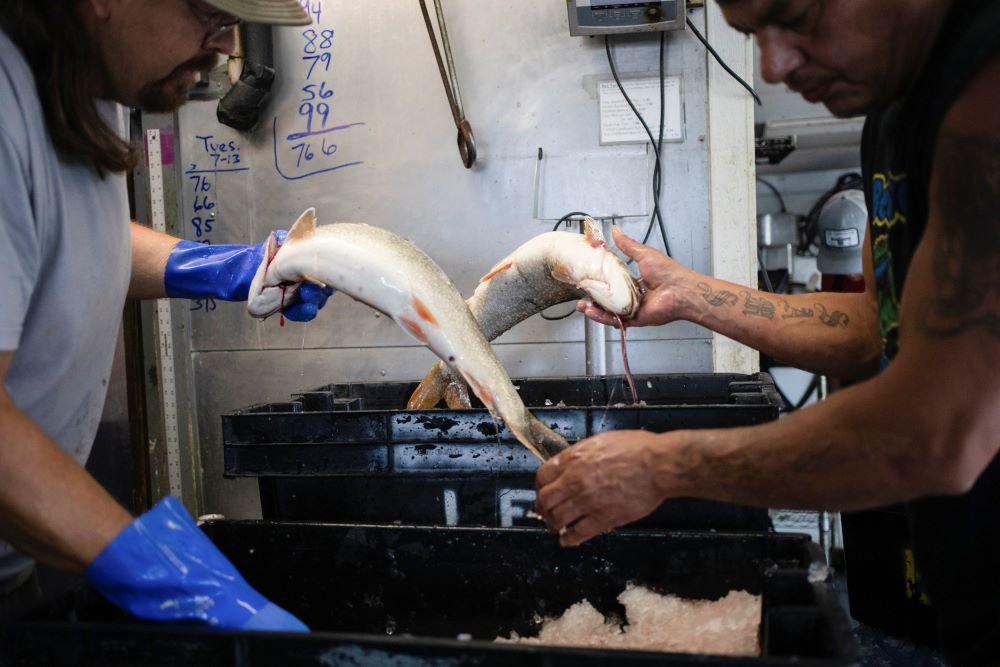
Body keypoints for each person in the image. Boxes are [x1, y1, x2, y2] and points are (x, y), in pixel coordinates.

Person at [534, 0, 1000, 662]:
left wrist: (659, 465)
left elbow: (935, 427)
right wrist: (692, 294)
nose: (774, 66)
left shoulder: (988, 85)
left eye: (800, 16)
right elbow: (873, 323)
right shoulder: (896, 111)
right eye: (753, 34)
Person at [0, 0, 333, 630]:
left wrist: (222, 268)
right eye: (209, 13)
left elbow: (59, 238)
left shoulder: (95, 77)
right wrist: (179, 582)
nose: (228, 42)